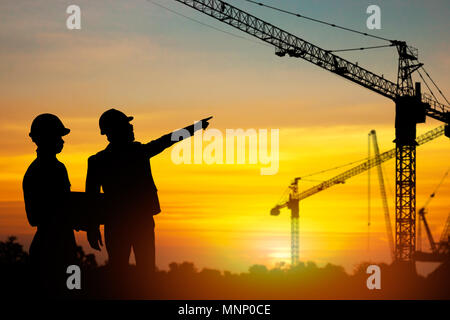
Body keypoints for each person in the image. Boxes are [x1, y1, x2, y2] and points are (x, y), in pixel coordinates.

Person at [86, 109, 211, 277]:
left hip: (125, 223)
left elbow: (166, 140)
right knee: (134, 273)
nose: (131, 127)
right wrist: (92, 229)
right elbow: (91, 199)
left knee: (129, 273)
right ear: (115, 131)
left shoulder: (100, 160)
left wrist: (92, 229)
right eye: (127, 125)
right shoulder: (132, 154)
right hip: (132, 223)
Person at [22, 113, 78, 294]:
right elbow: (35, 217)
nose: (62, 141)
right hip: (50, 247)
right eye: (58, 136)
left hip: (64, 243)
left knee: (73, 289)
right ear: (44, 138)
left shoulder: (58, 168)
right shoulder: (38, 171)